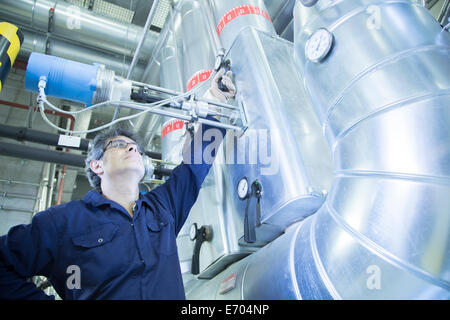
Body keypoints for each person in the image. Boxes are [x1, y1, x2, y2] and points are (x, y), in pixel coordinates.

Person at [0, 68, 236, 300]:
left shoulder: (163, 206)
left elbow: (194, 166)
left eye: (136, 148)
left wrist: (215, 100)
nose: (133, 147)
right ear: (97, 166)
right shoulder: (64, 221)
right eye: (120, 145)